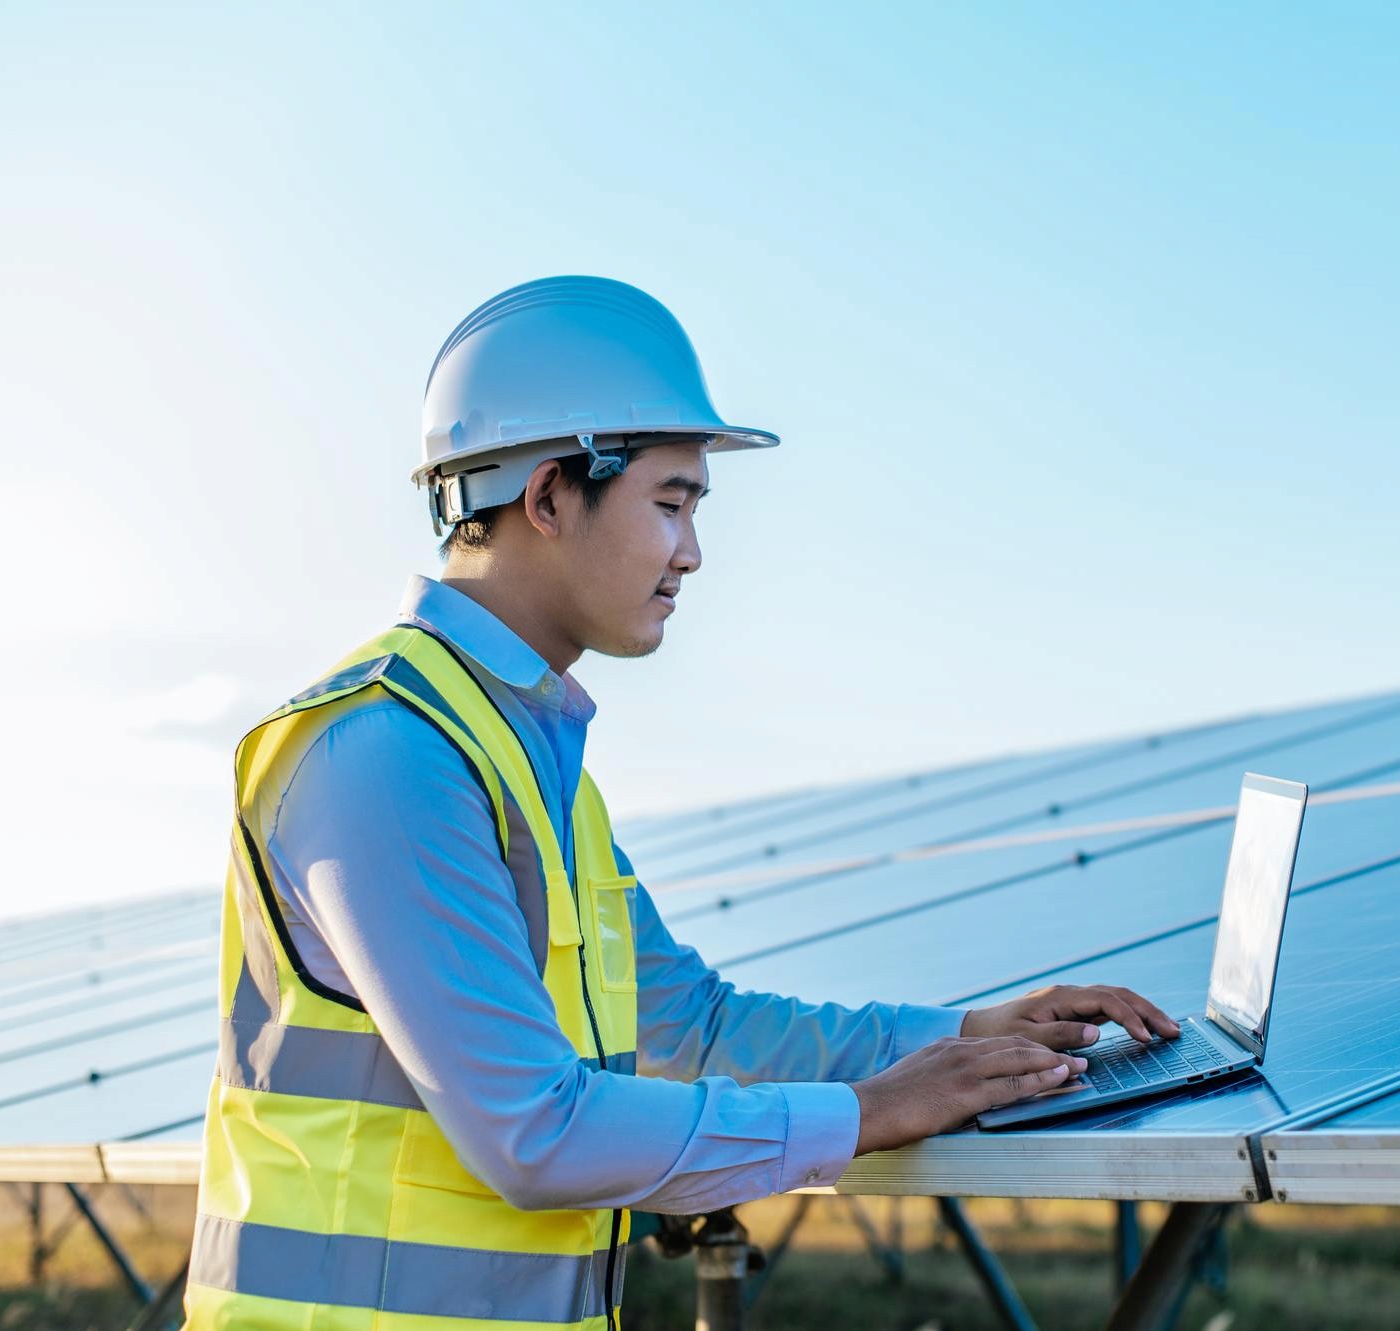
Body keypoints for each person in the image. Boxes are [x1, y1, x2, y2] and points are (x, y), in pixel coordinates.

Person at [184, 275, 1180, 1329]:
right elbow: (535, 1131)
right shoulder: (384, 750)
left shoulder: (529, 763)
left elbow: (687, 1024)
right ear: (550, 497)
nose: (693, 554)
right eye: (670, 503)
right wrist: (865, 1112)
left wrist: (969, 1032)